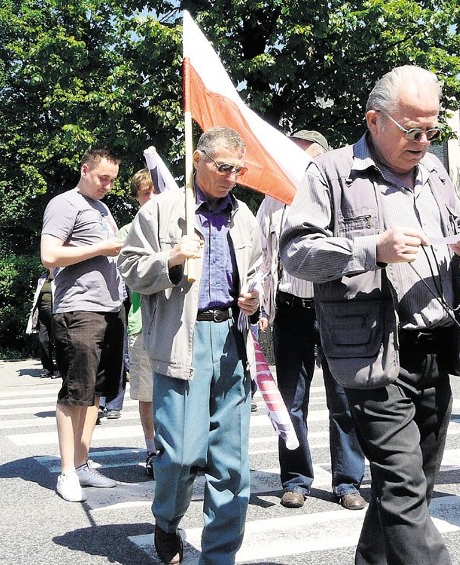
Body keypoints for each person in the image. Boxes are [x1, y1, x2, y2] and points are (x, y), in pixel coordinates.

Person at [279, 66, 460, 564]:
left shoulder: (435, 173)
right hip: (373, 356)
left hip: (436, 347)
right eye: (413, 130)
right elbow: (296, 253)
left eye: (433, 130)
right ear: (375, 120)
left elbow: (455, 228)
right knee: (405, 488)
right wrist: (372, 249)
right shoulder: (331, 172)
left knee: (410, 488)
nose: (424, 141)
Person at [118, 127, 262, 565]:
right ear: (198, 160)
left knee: (232, 464)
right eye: (224, 167)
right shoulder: (163, 210)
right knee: (181, 455)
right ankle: (167, 519)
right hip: (183, 338)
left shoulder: (245, 217)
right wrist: (172, 260)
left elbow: (258, 270)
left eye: (239, 169)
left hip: (233, 340)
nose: (232, 176)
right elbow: (129, 267)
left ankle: (219, 556)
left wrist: (255, 295)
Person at [256, 130, 366, 511]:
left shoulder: (337, 194)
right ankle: (296, 479)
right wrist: (264, 308)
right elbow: (262, 255)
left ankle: (348, 481)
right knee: (292, 399)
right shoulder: (274, 198)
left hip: (334, 305)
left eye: (306, 158)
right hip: (291, 308)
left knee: (344, 398)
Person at [41, 147, 125, 503]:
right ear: (85, 169)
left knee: (96, 393)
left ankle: (82, 463)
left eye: (112, 180)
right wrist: (100, 249)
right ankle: (66, 472)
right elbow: (49, 255)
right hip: (79, 309)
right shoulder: (65, 203)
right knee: (75, 391)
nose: (108, 185)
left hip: (110, 307)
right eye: (103, 178)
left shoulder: (103, 208)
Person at [118, 169, 157, 476]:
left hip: (177, 325)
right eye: (145, 193)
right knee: (147, 392)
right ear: (136, 198)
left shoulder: (178, 226)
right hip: (141, 322)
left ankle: (180, 449)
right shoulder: (127, 232)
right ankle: (152, 449)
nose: (152, 197)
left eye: (155, 190)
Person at [27, 270, 59, 378]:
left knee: (56, 341)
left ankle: (59, 369)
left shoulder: (59, 277)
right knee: (43, 340)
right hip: (42, 312)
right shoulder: (42, 279)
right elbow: (37, 297)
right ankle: (48, 368)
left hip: (55, 312)